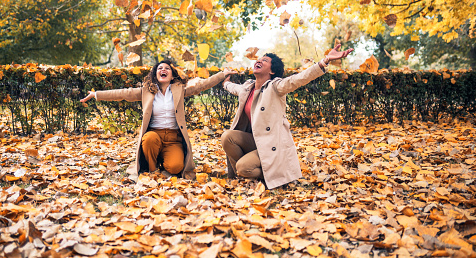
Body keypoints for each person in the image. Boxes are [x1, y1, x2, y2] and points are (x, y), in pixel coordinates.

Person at [221, 44, 353, 189]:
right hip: (255, 141)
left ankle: (270, 176)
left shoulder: (275, 87)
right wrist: (226, 82)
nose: (259, 61)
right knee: (227, 136)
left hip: (271, 144)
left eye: (265, 60)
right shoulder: (248, 87)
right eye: (259, 59)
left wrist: (325, 60)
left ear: (271, 71)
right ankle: (245, 174)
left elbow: (298, 79)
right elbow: (234, 88)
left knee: (243, 167)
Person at [81, 60, 236, 179]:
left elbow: (202, 85)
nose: (163, 70)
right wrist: (96, 94)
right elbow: (123, 93)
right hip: (154, 135)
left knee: (175, 168)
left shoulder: (179, 90)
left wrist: (222, 74)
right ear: (155, 74)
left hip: (173, 139)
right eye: (160, 68)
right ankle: (152, 167)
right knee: (148, 139)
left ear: (172, 75)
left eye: (167, 68)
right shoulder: (146, 91)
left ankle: (164, 158)